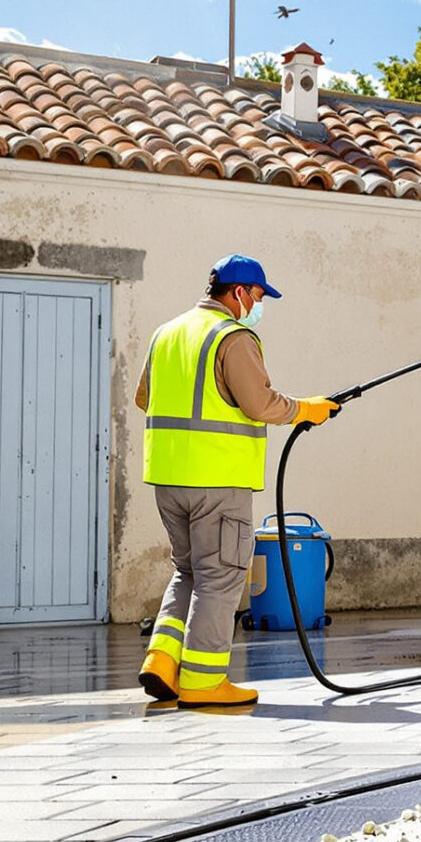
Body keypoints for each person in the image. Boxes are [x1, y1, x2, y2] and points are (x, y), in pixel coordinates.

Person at [134, 255, 337, 709]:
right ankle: (204, 682)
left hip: (168, 478)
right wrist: (308, 409)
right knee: (220, 577)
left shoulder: (166, 333)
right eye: (259, 296)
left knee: (188, 570)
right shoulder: (234, 337)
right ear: (239, 292)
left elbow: (143, 398)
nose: (259, 306)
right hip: (218, 480)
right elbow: (259, 403)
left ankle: (162, 662)